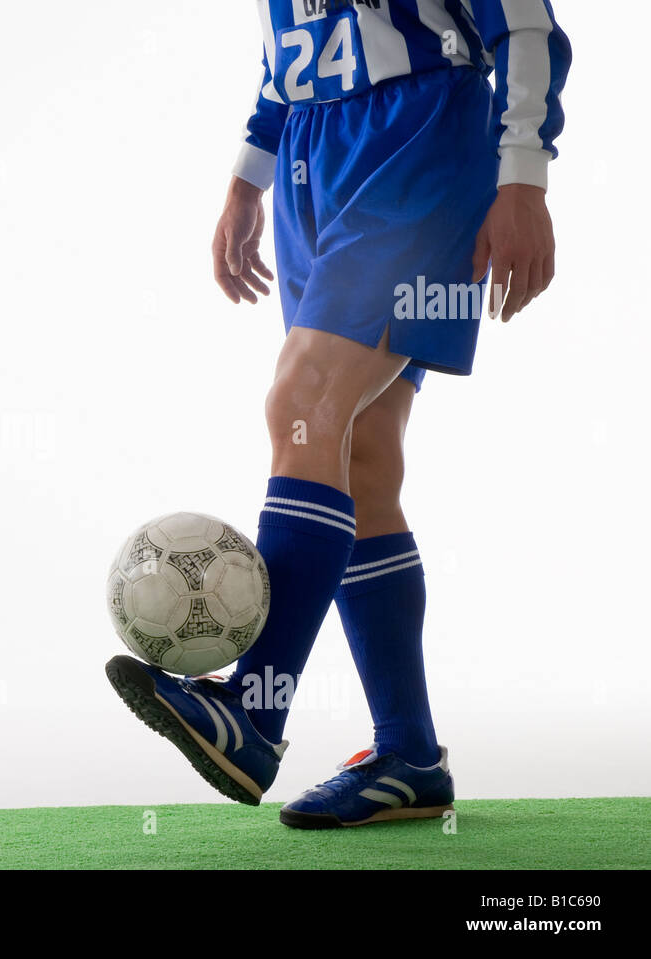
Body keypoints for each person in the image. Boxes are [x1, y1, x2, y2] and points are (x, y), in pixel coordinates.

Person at [106, 0, 571, 828]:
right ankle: (410, 753)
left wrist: (524, 177)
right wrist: (249, 173)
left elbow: (525, 22)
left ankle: (255, 709)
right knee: (358, 454)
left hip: (422, 139)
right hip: (311, 161)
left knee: (302, 404)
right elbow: (291, 50)